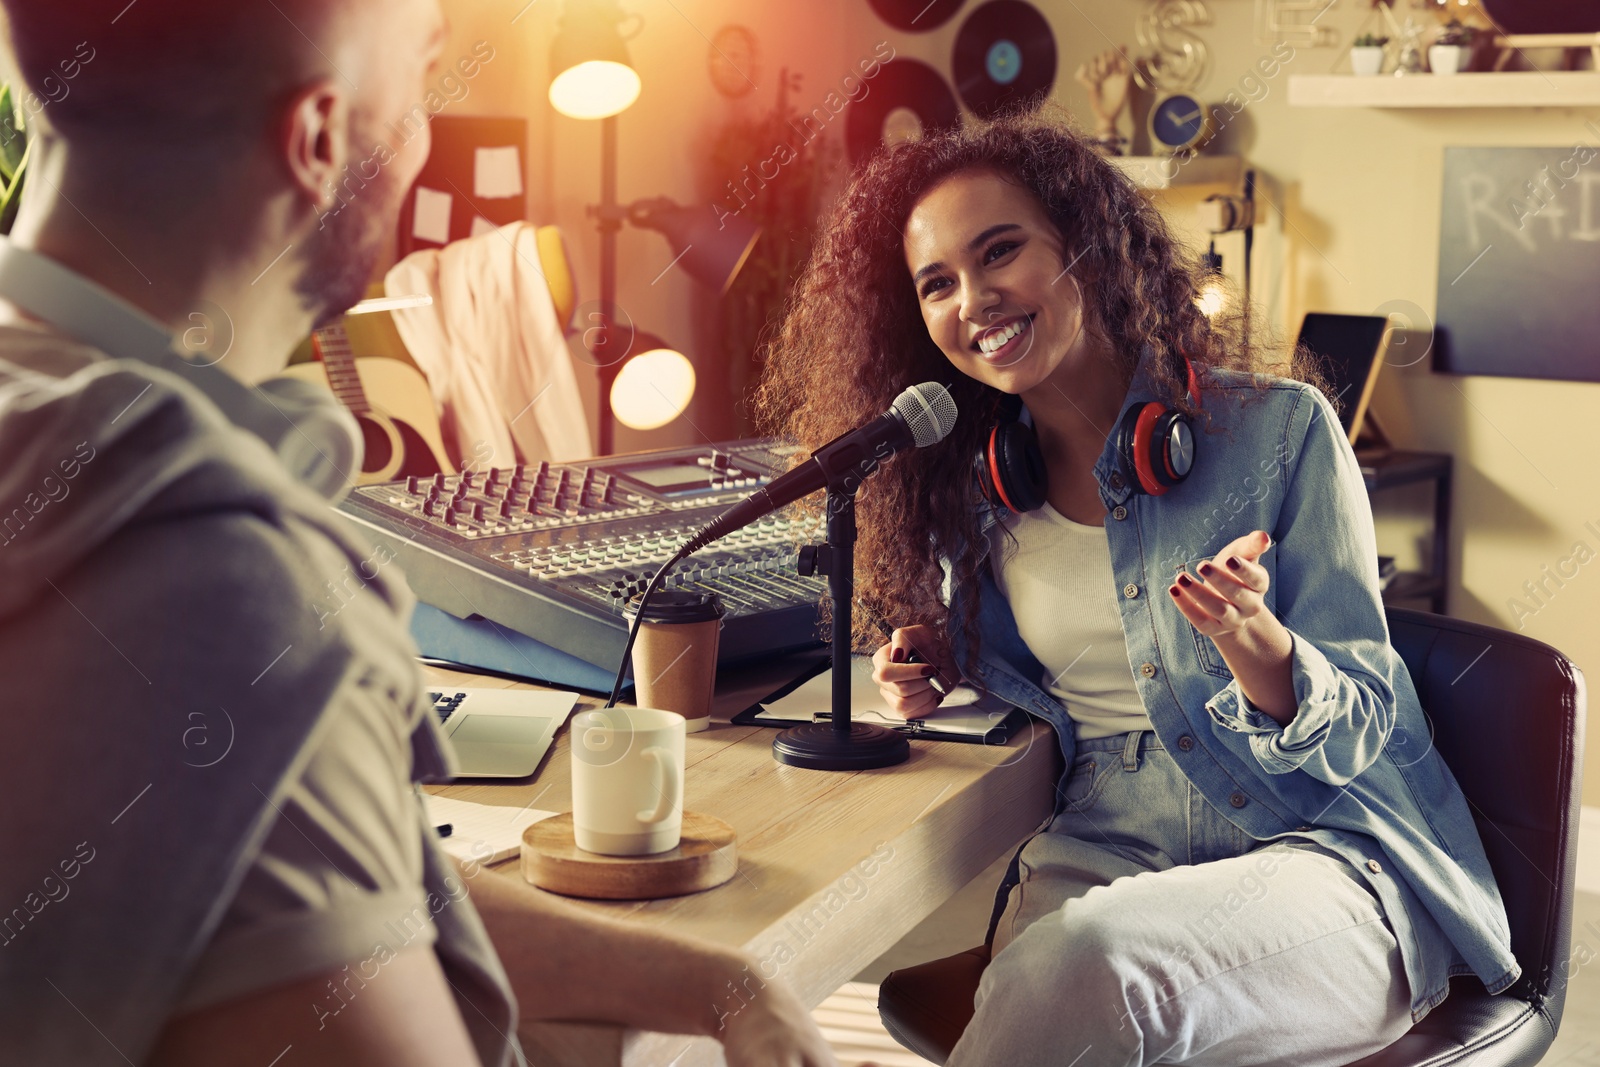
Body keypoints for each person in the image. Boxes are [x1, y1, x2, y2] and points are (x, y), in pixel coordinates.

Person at [0, 3, 838, 1066]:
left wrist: (720, 982)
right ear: (317, 143)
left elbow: (368, 890)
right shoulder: (225, 591)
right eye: (421, 83)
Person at [754, 111, 1520, 1066]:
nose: (974, 298)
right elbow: (1060, 674)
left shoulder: (1282, 432)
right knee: (1065, 984)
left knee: (1085, 967)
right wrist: (945, 657)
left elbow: (1366, 715)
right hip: (1105, 843)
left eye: (1002, 251)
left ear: (1085, 247)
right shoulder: (985, 487)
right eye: (937, 283)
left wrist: (1261, 648)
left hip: (1317, 850)